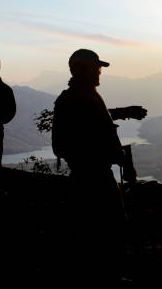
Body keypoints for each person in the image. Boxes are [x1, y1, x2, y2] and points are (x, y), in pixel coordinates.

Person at [52, 48, 147, 282]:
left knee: (103, 227)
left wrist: (124, 112)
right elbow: (67, 142)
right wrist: (105, 153)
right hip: (92, 178)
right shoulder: (76, 99)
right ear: (82, 69)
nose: (100, 72)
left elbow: (97, 118)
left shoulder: (85, 96)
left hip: (93, 175)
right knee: (105, 227)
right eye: (96, 68)